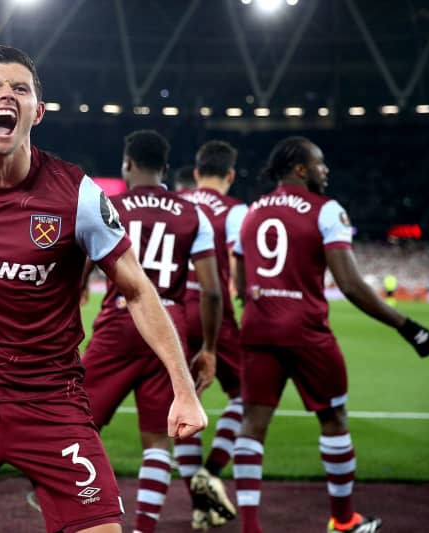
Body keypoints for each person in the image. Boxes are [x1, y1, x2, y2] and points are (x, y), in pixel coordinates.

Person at [0, 45, 207, 533]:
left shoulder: (79, 196)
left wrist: (183, 389)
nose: (6, 95)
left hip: (52, 404)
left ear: (38, 111)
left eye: (20, 89)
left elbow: (137, 290)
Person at [232, 136, 429, 533]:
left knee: (252, 425)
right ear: (300, 169)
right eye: (320, 163)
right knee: (333, 419)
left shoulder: (251, 212)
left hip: (258, 329)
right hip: (306, 331)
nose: (325, 170)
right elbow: (350, 285)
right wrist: (407, 326)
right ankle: (344, 521)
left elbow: (241, 285)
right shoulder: (327, 211)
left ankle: (251, 527)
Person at [80, 130, 221, 533]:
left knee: (80, 419)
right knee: (159, 438)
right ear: (164, 168)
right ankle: (143, 527)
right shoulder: (193, 214)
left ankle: (70, 500)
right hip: (169, 325)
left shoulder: (108, 204)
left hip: (119, 319)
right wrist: (208, 347)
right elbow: (211, 291)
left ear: (127, 164)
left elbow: (81, 270)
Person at [174, 140, 247, 530]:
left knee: (186, 403)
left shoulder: (177, 205)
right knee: (246, 397)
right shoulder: (236, 211)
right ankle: (213, 469)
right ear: (231, 176)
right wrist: (246, 294)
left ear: (197, 173)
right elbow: (236, 260)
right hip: (213, 310)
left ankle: (199, 506)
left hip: (173, 311)